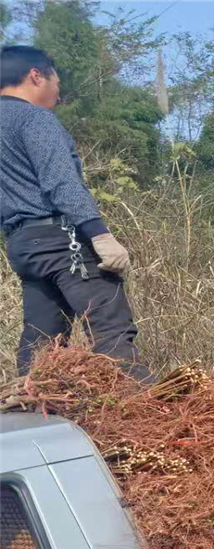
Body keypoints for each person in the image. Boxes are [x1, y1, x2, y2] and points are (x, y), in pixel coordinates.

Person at [0, 45, 150, 380]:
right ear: (36, 75)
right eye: (56, 81)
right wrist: (100, 235)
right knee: (110, 327)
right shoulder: (33, 117)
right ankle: (140, 409)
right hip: (60, 239)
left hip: (22, 244)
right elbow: (61, 183)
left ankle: (31, 410)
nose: (58, 90)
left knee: (42, 340)